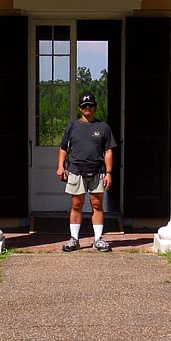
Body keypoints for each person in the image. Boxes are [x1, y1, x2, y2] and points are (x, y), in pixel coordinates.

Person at [56, 92, 117, 252]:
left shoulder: (103, 127)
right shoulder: (72, 127)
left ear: (95, 107)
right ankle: (74, 239)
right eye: (84, 106)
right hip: (76, 171)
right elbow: (63, 148)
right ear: (80, 108)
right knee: (76, 205)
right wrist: (61, 166)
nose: (87, 108)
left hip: (97, 171)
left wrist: (109, 172)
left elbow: (108, 151)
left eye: (90, 105)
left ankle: (98, 239)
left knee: (97, 205)